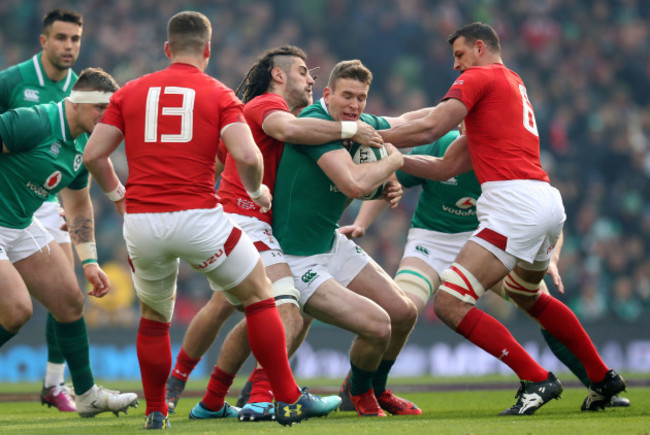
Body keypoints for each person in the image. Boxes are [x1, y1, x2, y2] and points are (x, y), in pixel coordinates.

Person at [82, 12, 340, 429]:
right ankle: (289, 399)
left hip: (143, 223)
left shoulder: (129, 91)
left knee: (154, 318)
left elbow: (94, 155)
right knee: (260, 296)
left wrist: (119, 198)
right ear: (207, 49)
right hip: (199, 216)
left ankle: (156, 410)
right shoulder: (219, 94)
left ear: (167, 49)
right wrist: (257, 192)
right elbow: (248, 156)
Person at [379, 22, 627, 414]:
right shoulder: (511, 82)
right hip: (546, 201)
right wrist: (394, 159)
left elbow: (432, 125)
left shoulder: (480, 76)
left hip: (512, 206)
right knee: (530, 296)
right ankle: (603, 380)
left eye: (459, 55)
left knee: (448, 304)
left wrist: (373, 135)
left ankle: (536, 378)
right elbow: (445, 168)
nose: (456, 66)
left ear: (480, 48)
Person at [165, 45, 382, 422]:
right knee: (287, 306)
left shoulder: (294, 117)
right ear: (279, 75)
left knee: (241, 308)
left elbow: (223, 155)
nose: (311, 78)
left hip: (256, 222)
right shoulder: (269, 105)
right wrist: (353, 129)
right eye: (302, 71)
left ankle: (210, 400)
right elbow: (285, 130)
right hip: (245, 220)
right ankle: (271, 398)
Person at [340, 129, 631, 409]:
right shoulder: (439, 146)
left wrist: (552, 257)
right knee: (402, 309)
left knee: (534, 297)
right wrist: (363, 222)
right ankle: (361, 388)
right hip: (431, 241)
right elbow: (390, 182)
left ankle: (596, 382)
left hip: (482, 242)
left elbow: (547, 208)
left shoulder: (505, 157)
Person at [271, 59, 428, 418]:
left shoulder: (362, 125)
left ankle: (373, 388)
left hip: (329, 242)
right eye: (347, 96)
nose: (355, 105)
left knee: (403, 313)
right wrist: (393, 163)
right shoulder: (316, 125)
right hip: (297, 259)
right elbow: (353, 183)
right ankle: (359, 395)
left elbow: (410, 123)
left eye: (361, 98)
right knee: (378, 325)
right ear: (327, 94)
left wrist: (384, 189)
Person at [0, 67, 139, 418]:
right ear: (77, 102)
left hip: (19, 224)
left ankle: (87, 395)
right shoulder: (35, 121)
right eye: (100, 110)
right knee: (17, 310)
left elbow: (77, 204)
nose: (107, 119)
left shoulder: (84, 147)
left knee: (70, 302)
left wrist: (90, 262)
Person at [0, 8, 84, 412]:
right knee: (16, 306)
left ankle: (55, 382)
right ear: (44, 41)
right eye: (62, 38)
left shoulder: (83, 92)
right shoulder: (13, 81)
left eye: (75, 39)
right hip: (9, 194)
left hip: (47, 202)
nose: (69, 46)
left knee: (65, 293)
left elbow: (83, 161)